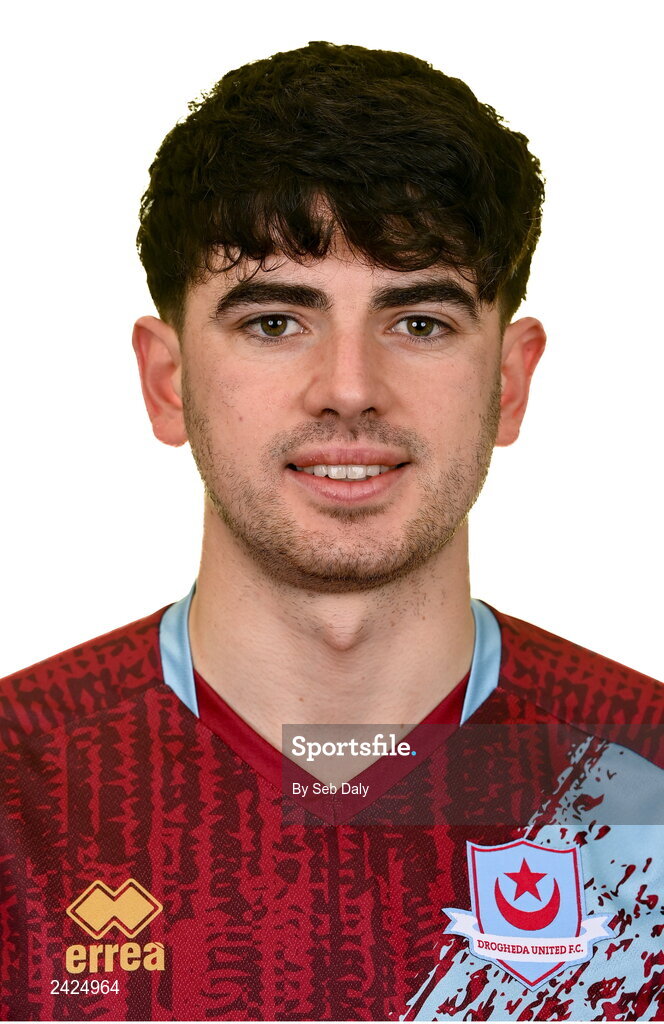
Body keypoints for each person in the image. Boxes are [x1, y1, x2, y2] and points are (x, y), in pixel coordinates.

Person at [0, 41, 661, 1023]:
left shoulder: (643, 783)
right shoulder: (20, 790)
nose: (348, 387)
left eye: (420, 321)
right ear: (166, 378)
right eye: (274, 320)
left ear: (510, 381)